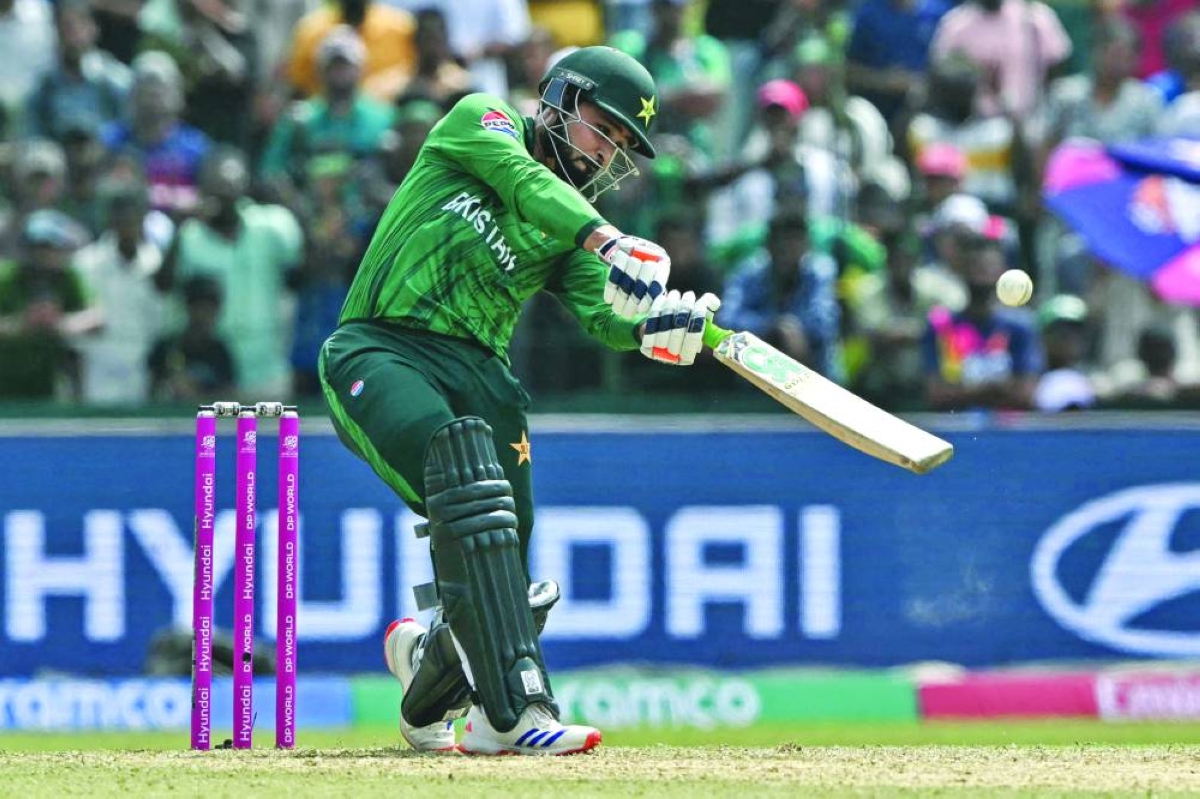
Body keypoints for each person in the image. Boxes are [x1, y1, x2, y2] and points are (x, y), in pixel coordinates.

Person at [318, 45, 718, 755]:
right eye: (605, 127)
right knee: (465, 472)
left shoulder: (573, 231)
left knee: (503, 561)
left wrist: (657, 329)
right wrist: (608, 238)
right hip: (381, 346)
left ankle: (432, 669)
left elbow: (605, 315)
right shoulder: (484, 120)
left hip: (482, 379)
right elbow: (523, 183)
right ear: (561, 99)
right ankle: (516, 714)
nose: (606, 155)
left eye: (624, 146)